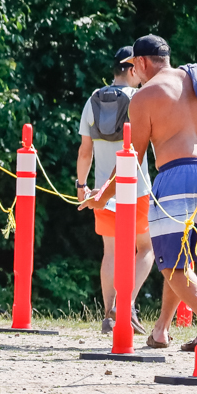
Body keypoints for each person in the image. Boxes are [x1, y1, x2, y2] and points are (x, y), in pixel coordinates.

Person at [82, 34, 197, 352]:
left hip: (175, 175)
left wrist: (104, 195)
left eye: (133, 65)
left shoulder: (144, 97)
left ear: (141, 62)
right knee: (183, 260)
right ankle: (161, 329)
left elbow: (132, 158)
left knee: (170, 264)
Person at [75, 46, 155, 335]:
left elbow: (85, 151)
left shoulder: (93, 99)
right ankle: (125, 303)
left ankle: (110, 315)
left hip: (102, 191)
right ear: (133, 69)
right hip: (136, 188)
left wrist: (81, 185)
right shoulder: (140, 100)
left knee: (110, 251)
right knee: (146, 247)